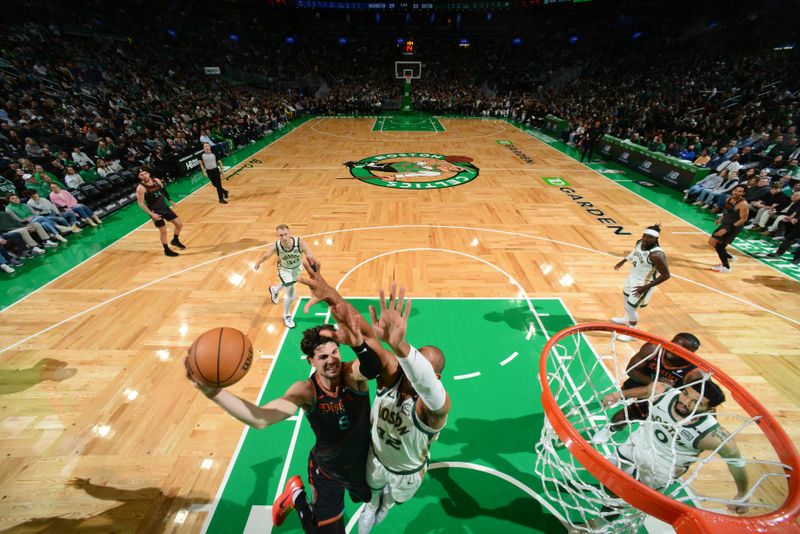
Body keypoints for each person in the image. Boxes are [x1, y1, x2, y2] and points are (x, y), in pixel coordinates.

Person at [187, 279, 388, 533]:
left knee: (365, 499)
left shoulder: (351, 375)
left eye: (335, 352)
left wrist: (358, 345)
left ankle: (298, 496)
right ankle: (297, 497)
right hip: (328, 470)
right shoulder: (306, 390)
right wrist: (214, 392)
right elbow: (261, 419)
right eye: (323, 357)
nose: (331, 361)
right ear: (312, 361)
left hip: (361, 464)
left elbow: (373, 367)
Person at [357, 284, 451, 533]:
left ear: (436, 377)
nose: (411, 371)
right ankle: (372, 505)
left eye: (419, 366)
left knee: (393, 500)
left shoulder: (432, 410)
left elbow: (430, 391)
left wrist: (400, 347)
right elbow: (364, 334)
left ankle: (385, 506)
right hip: (376, 457)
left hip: (408, 472)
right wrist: (330, 295)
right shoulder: (392, 376)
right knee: (373, 492)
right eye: (413, 360)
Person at [605, 379, 749, 514]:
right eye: (685, 394)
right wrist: (617, 394)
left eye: (696, 403)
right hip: (639, 443)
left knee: (628, 498)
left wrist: (743, 495)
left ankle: (601, 524)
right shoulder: (662, 392)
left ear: (708, 409)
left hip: (664, 465)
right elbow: (645, 391)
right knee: (607, 474)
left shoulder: (712, 435)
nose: (685, 402)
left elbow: (736, 462)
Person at [591, 333, 700, 444]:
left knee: (622, 417)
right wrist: (656, 384)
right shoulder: (653, 348)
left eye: (680, 350)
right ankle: (622, 402)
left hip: (662, 396)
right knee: (625, 390)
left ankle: (611, 429)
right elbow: (631, 370)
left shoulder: (694, 373)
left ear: (689, 354)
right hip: (641, 380)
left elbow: (701, 398)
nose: (672, 349)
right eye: (673, 344)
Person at [611, 225, 671, 341]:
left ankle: (633, 333)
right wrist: (622, 261)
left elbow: (666, 275)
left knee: (631, 308)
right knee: (625, 299)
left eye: (650, 237)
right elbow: (634, 252)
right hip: (632, 276)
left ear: (656, 239)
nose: (646, 239)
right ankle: (626, 319)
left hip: (643, 283)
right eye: (645, 236)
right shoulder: (640, 243)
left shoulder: (657, 255)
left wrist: (644, 287)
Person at [254, 224, 318, 328]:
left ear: (290, 233)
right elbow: (266, 255)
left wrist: (313, 265)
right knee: (291, 295)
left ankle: (274, 290)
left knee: (289, 282)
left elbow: (309, 253)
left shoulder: (299, 242)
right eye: (281, 235)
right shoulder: (276, 246)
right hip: (285, 270)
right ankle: (286, 315)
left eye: (285, 234)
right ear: (277, 236)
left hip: (297, 268)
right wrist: (258, 262)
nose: (284, 237)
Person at [135, 169, 185, 257]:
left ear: (149, 173)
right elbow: (141, 203)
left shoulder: (156, 181)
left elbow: (163, 190)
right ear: (139, 177)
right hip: (155, 211)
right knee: (163, 231)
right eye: (141, 174)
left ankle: (175, 240)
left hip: (164, 207)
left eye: (145, 173)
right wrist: (152, 214)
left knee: (179, 224)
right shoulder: (141, 188)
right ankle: (166, 250)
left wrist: (170, 200)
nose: (144, 176)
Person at [709, 184, 748, 273]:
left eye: (740, 191)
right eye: (735, 190)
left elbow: (744, 219)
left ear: (743, 193)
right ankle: (729, 257)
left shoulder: (743, 204)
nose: (736, 192)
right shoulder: (729, 199)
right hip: (726, 224)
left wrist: (728, 229)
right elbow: (727, 212)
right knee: (712, 242)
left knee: (719, 246)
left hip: (734, 227)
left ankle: (726, 267)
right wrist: (721, 218)